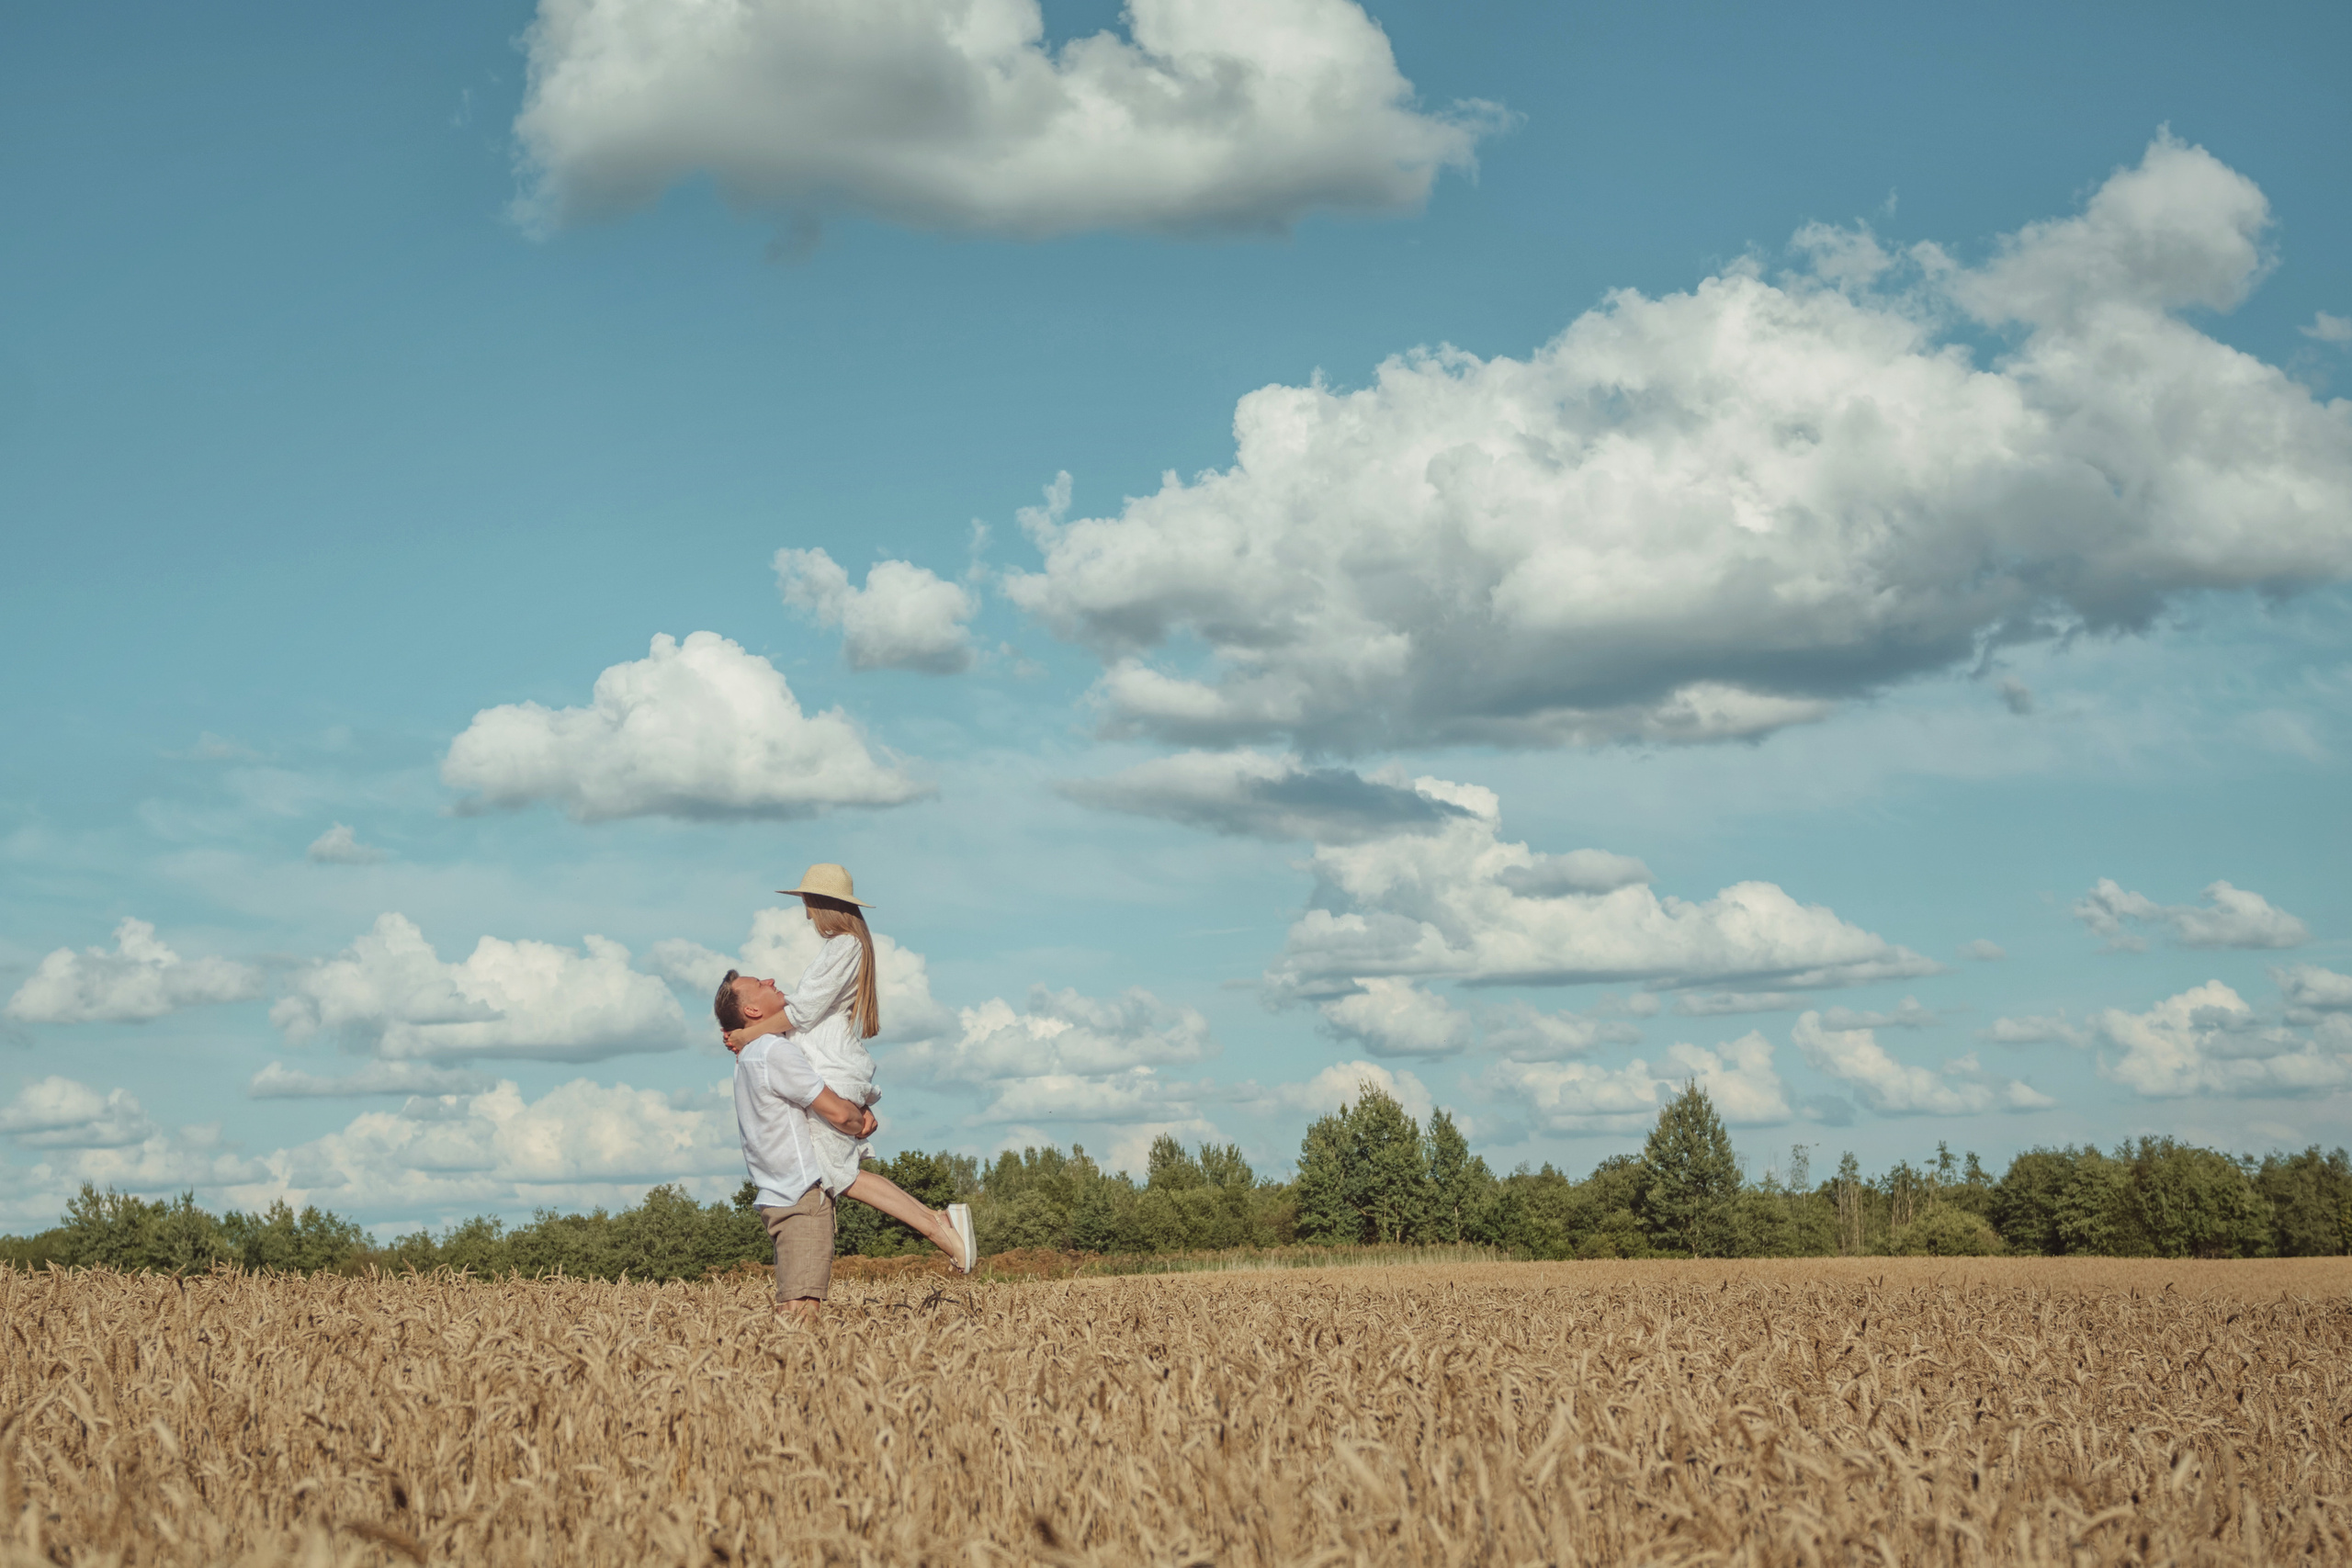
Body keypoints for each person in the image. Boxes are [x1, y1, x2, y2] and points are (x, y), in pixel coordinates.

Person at [716, 863, 976, 1318]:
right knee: (839, 1174)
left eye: (806, 902)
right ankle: (938, 1224)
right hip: (831, 1063)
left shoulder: (844, 945)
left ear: (820, 904)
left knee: (837, 1176)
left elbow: (804, 1009)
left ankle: (940, 1226)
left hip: (829, 1063)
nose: (805, 912)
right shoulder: (847, 945)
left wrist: (746, 1037)